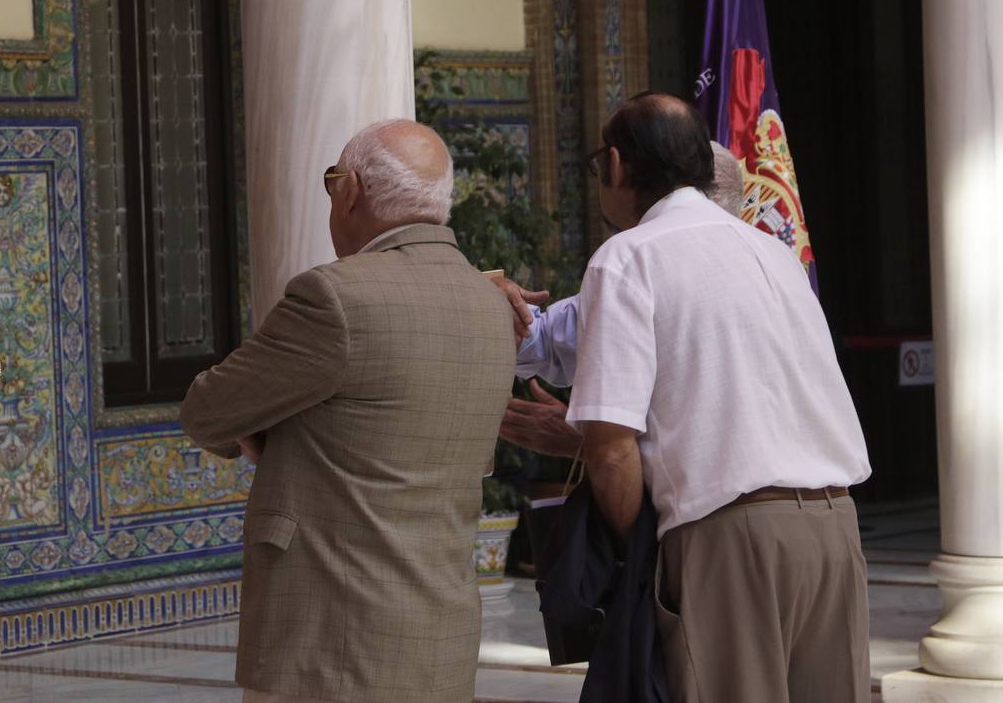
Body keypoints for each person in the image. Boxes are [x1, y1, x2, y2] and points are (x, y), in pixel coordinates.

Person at [180, 119, 517, 703]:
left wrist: (261, 431)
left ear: (350, 190)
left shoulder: (335, 297)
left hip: (333, 643)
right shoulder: (491, 304)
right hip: (442, 632)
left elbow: (208, 410)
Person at [549, 92, 871, 703]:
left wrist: (636, 551)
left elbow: (611, 450)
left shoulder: (627, 257)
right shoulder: (776, 254)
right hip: (834, 529)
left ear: (615, 165)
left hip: (729, 539)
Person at [497, 140, 748, 458]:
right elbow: (544, 341)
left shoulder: (642, 263)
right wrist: (493, 302)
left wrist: (585, 443)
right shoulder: (642, 272)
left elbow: (710, 450)